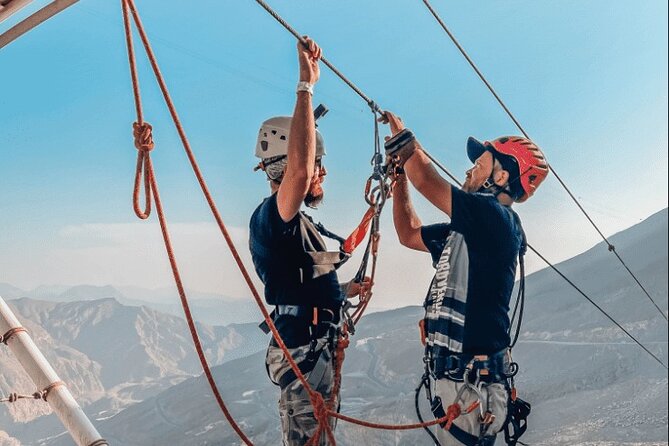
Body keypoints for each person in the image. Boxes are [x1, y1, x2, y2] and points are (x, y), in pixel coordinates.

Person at [380, 111, 548, 445]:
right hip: (465, 385)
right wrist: (399, 176)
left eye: (480, 163)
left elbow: (427, 181)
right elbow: (408, 233)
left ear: (500, 176)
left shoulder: (494, 219)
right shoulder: (471, 230)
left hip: (472, 388)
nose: (470, 168)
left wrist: (403, 139)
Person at [248, 37, 369, 446]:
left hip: (313, 349)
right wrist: (305, 86)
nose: (323, 174)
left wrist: (345, 290)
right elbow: (298, 176)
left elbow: (301, 282)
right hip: (305, 353)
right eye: (320, 164)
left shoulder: (296, 225)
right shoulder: (273, 216)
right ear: (292, 165)